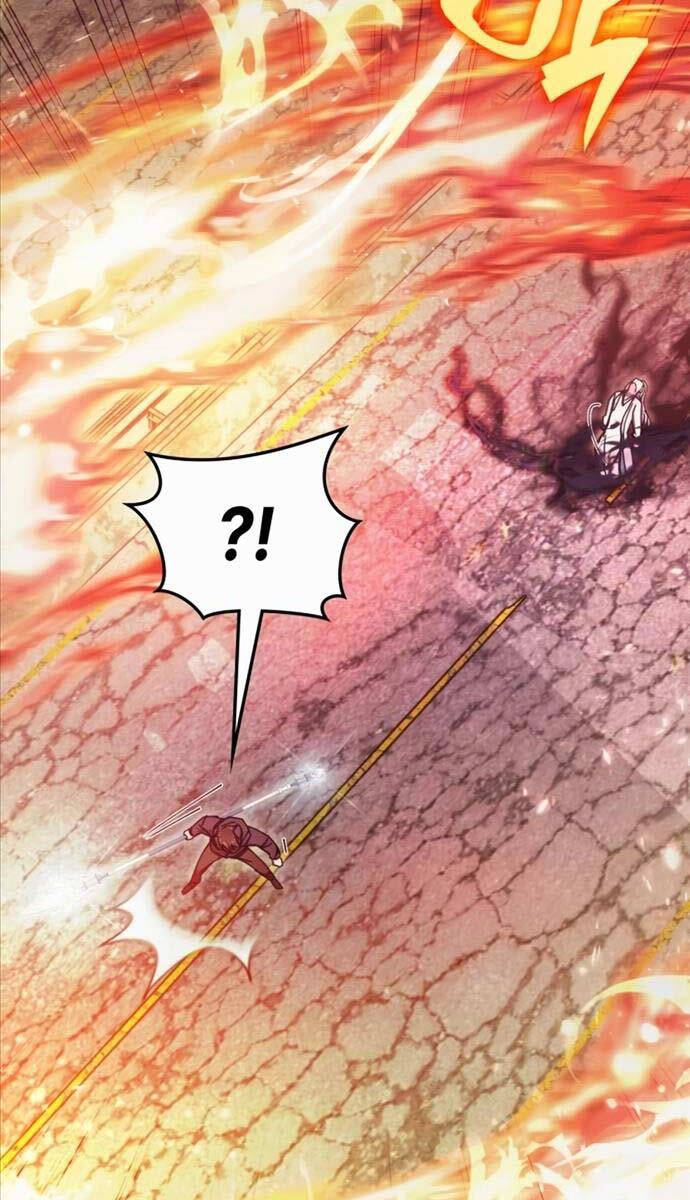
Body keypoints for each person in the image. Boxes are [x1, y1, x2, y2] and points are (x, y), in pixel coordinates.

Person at [181, 813, 283, 894]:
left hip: (240, 852)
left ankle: (272, 879)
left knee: (259, 866)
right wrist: (191, 832)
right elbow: (202, 823)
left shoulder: (249, 835)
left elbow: (266, 842)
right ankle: (193, 883)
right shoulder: (213, 826)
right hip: (214, 850)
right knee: (199, 868)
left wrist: (275, 857)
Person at [587, 377, 650, 478]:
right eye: (630, 384)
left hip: (620, 434)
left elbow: (637, 422)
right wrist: (605, 421)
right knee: (602, 449)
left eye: (633, 387)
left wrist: (637, 436)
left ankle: (618, 475)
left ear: (636, 392)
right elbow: (608, 411)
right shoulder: (616, 396)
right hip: (609, 430)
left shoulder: (636, 404)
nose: (629, 387)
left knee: (620, 456)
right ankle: (606, 472)